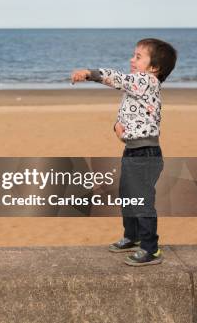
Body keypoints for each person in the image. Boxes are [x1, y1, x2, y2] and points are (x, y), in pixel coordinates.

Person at [71, 38, 177, 266]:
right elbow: (131, 115)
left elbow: (118, 79)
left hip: (145, 153)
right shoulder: (139, 85)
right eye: (133, 55)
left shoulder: (146, 80)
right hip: (133, 150)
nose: (132, 59)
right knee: (128, 195)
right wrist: (118, 127)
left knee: (142, 201)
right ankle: (133, 236)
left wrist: (90, 74)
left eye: (138, 57)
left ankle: (151, 249)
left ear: (154, 68)